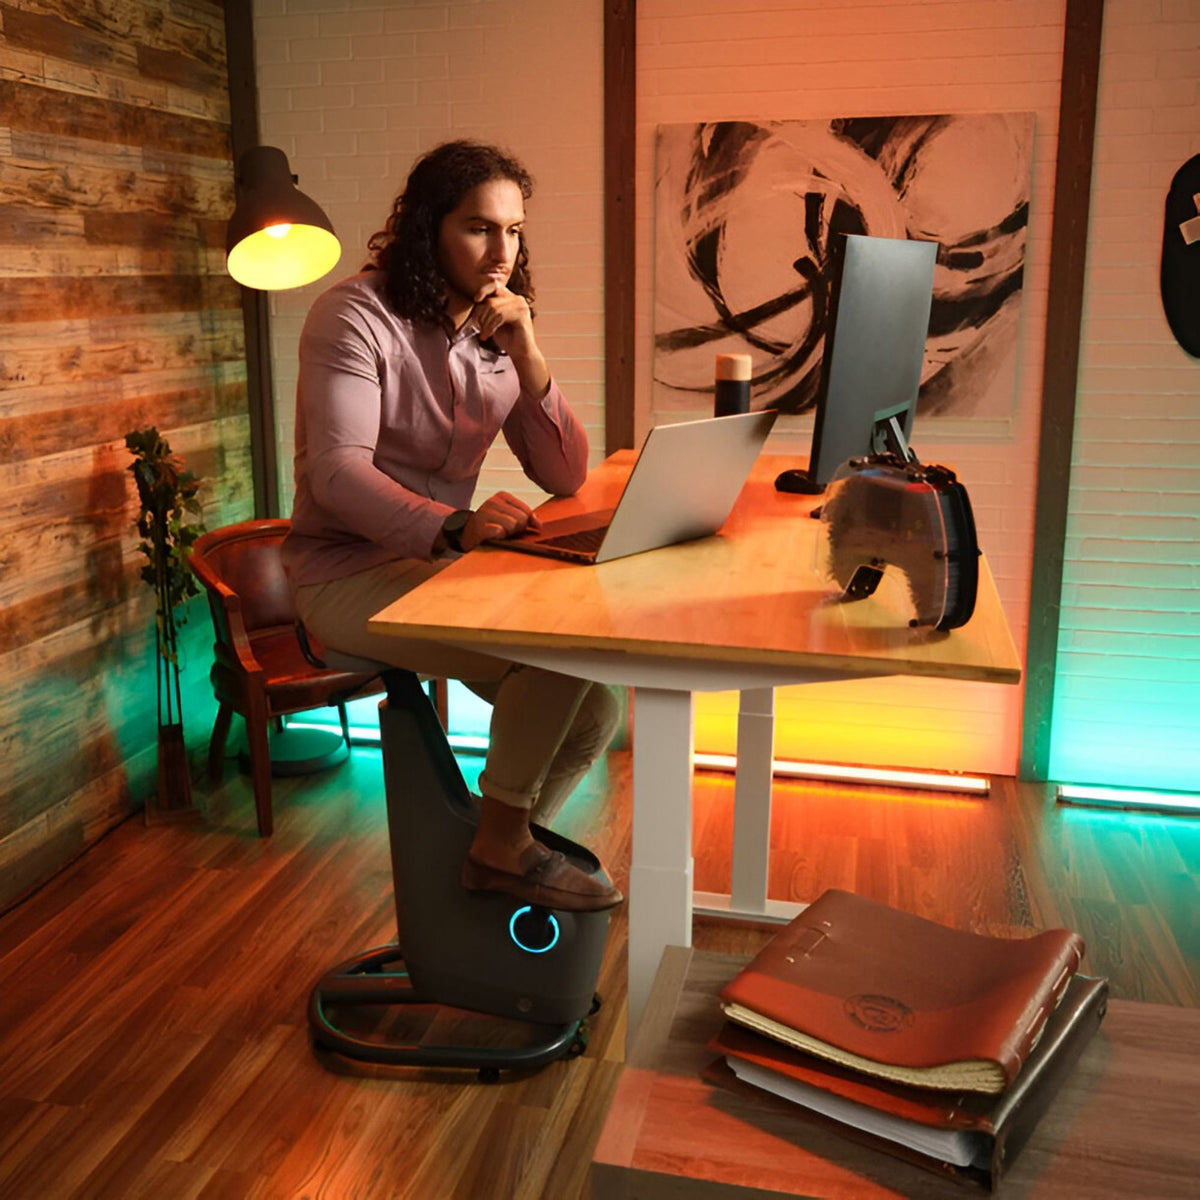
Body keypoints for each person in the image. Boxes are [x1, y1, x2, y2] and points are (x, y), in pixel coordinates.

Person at [282, 140, 622, 913]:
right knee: (556, 647)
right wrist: (458, 523)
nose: (501, 252)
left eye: (514, 231)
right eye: (479, 228)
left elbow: (565, 472)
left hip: (435, 568)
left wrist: (528, 353)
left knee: (597, 708)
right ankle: (500, 848)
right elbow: (336, 475)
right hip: (343, 573)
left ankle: (482, 859)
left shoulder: (497, 338)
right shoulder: (355, 316)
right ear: (430, 227)